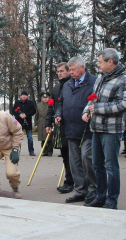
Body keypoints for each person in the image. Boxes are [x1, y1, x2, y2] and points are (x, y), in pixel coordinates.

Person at [82, 48, 126, 210]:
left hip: (111, 130)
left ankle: (112, 200)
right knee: (97, 164)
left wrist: (97, 108)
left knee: (111, 166)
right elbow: (92, 98)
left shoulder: (124, 79)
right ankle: (101, 195)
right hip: (96, 127)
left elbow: (123, 104)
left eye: (100, 62)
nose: (98, 65)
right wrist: (86, 111)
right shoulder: (101, 78)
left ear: (110, 62)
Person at [55, 57, 97, 204]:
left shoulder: (94, 82)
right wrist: (58, 115)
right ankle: (80, 190)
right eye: (70, 70)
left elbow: (96, 101)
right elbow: (61, 103)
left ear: (82, 67)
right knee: (74, 161)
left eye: (73, 70)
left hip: (88, 127)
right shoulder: (67, 85)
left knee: (87, 157)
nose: (71, 73)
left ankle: (93, 189)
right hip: (70, 127)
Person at [45, 62, 74, 193]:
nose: (59, 73)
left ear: (69, 71)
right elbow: (51, 108)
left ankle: (80, 182)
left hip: (74, 125)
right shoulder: (56, 88)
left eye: (62, 71)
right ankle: (69, 182)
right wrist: (47, 123)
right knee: (65, 155)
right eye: (58, 71)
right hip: (60, 126)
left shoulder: (74, 84)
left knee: (77, 156)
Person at [12, 91, 36, 156]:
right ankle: (18, 151)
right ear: (21, 96)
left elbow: (33, 110)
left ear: (27, 96)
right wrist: (19, 115)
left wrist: (26, 115)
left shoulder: (30, 103)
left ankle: (31, 151)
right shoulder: (17, 103)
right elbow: (13, 111)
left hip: (28, 122)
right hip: (19, 123)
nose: (24, 96)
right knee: (18, 138)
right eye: (22, 95)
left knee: (30, 137)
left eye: (25, 95)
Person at [35, 92, 53, 156]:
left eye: (46, 98)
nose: (45, 99)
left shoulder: (51, 104)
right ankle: (44, 151)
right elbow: (36, 115)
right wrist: (36, 123)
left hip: (48, 121)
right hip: (41, 122)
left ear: (48, 98)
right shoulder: (38, 105)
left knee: (49, 137)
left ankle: (50, 151)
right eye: (44, 98)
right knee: (42, 137)